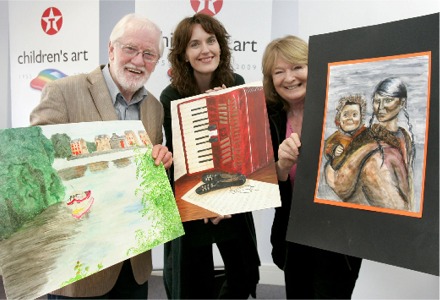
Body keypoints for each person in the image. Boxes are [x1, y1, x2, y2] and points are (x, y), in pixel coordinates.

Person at [30, 13, 172, 299]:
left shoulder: (155, 108)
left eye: (148, 54)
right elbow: (35, 164)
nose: (138, 60)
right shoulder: (63, 91)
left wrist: (162, 163)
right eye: (130, 49)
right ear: (111, 49)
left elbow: (151, 180)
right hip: (79, 266)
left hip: (133, 265)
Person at [160, 13, 260, 299]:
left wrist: (226, 109)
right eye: (195, 44)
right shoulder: (171, 96)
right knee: (193, 280)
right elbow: (182, 158)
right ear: (183, 55)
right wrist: (208, 203)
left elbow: (245, 151)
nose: (205, 50)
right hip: (194, 199)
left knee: (244, 274)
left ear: (221, 46)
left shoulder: (236, 83)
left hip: (233, 195)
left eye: (211, 40)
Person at [262, 35, 362, 299]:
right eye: (279, 72)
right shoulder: (268, 117)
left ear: (313, 67)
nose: (289, 78)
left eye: (297, 67)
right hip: (294, 235)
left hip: (338, 238)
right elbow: (264, 186)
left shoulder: (340, 110)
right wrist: (281, 166)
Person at [325, 77, 415, 211]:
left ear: (402, 102)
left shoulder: (405, 137)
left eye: (388, 100)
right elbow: (341, 184)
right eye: (377, 101)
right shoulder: (364, 138)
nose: (381, 107)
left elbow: (409, 179)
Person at [324, 94, 367, 169]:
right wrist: (334, 149)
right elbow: (327, 146)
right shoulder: (337, 136)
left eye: (354, 115)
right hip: (342, 170)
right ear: (339, 118)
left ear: (361, 118)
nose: (350, 118)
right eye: (345, 115)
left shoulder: (365, 133)